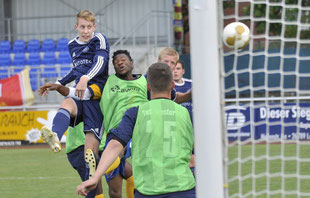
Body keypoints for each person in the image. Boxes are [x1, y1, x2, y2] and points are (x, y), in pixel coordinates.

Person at [76, 62, 196, 197]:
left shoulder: (135, 113)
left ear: (148, 87)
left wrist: (95, 177)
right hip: (184, 189)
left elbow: (114, 145)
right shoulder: (186, 113)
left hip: (148, 191)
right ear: (172, 86)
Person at [38, 9, 109, 198]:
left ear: (94, 27)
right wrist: (58, 83)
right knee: (67, 104)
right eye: (82, 27)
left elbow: (101, 63)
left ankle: (95, 175)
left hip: (96, 95)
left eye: (89, 27)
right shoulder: (72, 45)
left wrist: (86, 78)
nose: (85, 31)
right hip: (79, 93)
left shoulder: (99, 39)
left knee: (90, 157)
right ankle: (55, 134)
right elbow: (75, 70)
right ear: (76, 27)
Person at [173, 60, 195, 175]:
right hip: (177, 127)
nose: (175, 71)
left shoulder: (191, 83)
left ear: (183, 71)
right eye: (174, 69)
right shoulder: (168, 86)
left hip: (193, 125)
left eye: (178, 69)